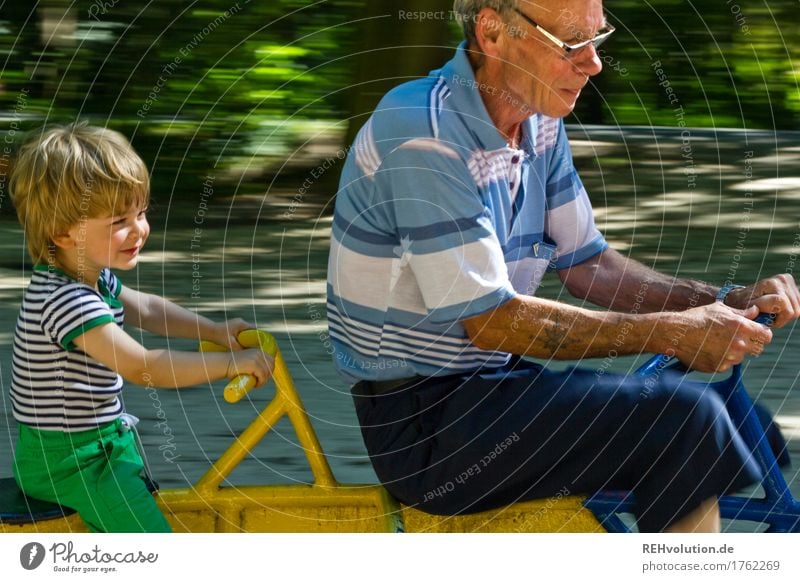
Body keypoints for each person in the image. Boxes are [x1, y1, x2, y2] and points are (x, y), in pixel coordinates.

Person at [326, 0, 800, 533]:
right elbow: (492, 321)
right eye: (574, 44)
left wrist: (721, 301)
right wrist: (674, 334)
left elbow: (590, 266)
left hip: (496, 387)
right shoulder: (422, 132)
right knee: (686, 419)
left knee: (741, 423)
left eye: (599, 39)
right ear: (493, 33)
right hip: (425, 430)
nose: (595, 63)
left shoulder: (538, 122)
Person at [8, 123, 274, 532]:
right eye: (119, 220)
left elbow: (148, 309)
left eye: (141, 212)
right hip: (71, 462)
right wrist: (230, 363)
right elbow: (143, 366)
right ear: (62, 233)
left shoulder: (89, 277)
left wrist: (214, 330)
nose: (139, 230)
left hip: (97, 447)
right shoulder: (67, 300)